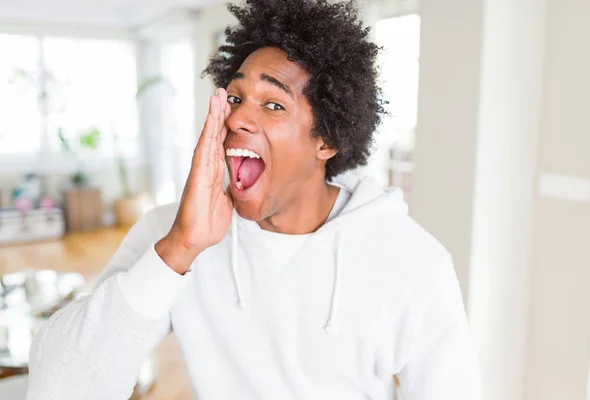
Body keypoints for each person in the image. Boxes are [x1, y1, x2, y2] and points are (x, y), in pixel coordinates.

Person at [27, 0, 481, 399]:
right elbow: (57, 389)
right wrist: (179, 249)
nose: (239, 116)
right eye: (237, 96)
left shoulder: (413, 261)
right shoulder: (173, 235)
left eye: (274, 104)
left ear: (327, 139)